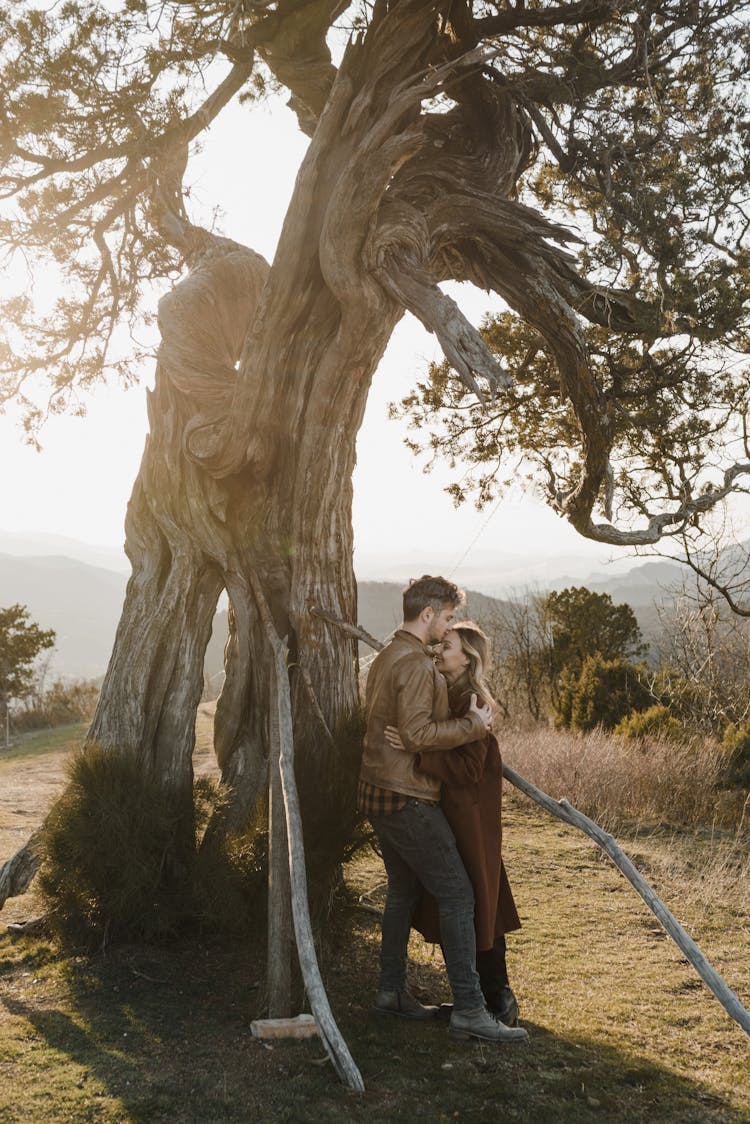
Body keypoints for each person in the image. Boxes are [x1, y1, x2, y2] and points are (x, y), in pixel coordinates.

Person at [358, 575, 528, 1044]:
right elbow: (414, 735)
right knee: (458, 895)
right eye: (448, 618)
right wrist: (473, 727)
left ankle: (391, 992)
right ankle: (472, 1010)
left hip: (377, 792)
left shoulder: (389, 654)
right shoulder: (414, 664)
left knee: (403, 892)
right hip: (406, 798)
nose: (448, 627)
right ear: (428, 614)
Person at [386, 622, 521, 1027]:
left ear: (468, 658)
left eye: (448, 645)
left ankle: (497, 1001)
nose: (439, 650)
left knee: (480, 903)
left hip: (470, 818)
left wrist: (418, 754)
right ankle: (479, 997)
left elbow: (468, 767)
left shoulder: (472, 702)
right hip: (453, 814)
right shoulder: (450, 693)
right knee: (467, 902)